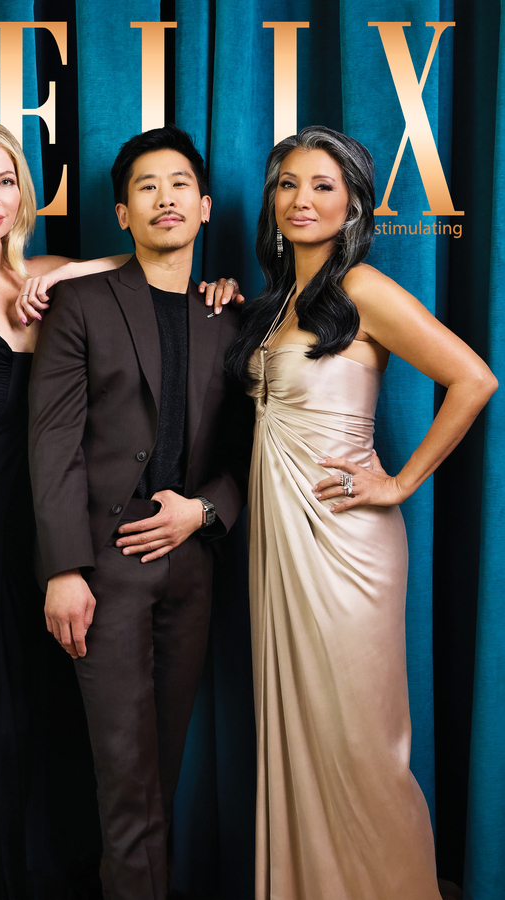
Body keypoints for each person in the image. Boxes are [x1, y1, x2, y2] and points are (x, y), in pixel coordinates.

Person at [0, 117, 240, 899]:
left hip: (24, 519)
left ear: (24, 193)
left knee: (24, 716)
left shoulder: (58, 278)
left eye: (4, 180)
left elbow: (145, 263)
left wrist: (213, 287)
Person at [226, 125, 497, 900]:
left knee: (357, 741)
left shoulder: (364, 288)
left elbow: (473, 379)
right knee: (303, 731)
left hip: (344, 543)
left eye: (321, 185)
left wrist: (400, 482)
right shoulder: (274, 302)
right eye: (286, 184)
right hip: (279, 543)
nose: (299, 199)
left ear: (351, 205)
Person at [28, 123, 253, 900]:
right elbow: (52, 444)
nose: (165, 198)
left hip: (191, 566)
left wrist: (203, 512)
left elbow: (249, 454)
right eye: (146, 187)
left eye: (179, 184)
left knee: (162, 770)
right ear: (123, 213)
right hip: (104, 568)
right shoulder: (81, 304)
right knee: (125, 779)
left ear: (205, 206)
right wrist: (64, 569)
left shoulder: (230, 315)